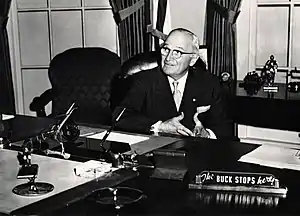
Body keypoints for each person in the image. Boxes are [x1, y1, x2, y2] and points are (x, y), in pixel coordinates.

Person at [113, 28, 232, 139]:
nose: (168, 58)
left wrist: (207, 134)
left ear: (193, 59)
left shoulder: (209, 83)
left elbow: (225, 127)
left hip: (195, 153)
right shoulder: (143, 81)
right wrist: (160, 126)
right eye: (166, 49)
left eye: (177, 52)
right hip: (153, 151)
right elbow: (119, 117)